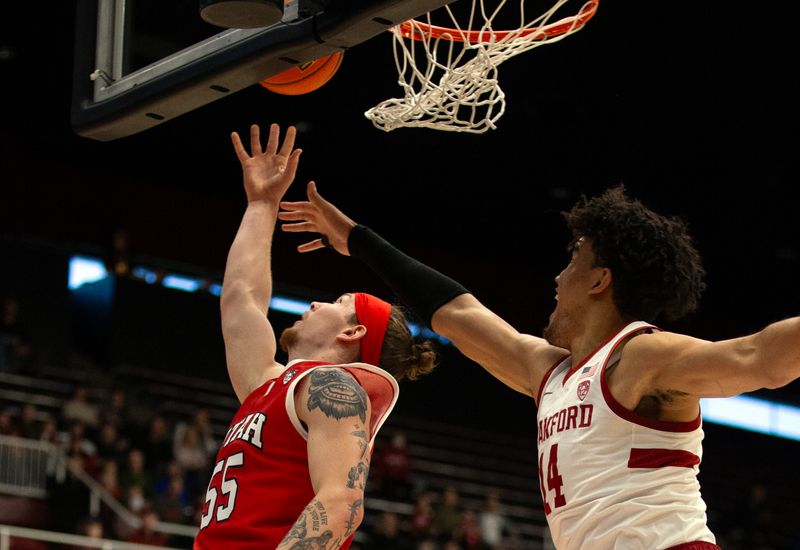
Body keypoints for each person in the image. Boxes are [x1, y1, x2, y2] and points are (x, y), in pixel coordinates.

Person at [277, 181, 800, 549]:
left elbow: (756, 356)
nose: (556, 277)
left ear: (600, 280)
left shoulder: (641, 355)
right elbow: (458, 314)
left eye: (573, 260)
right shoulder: (548, 371)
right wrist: (358, 242)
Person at [192, 123, 438, 550]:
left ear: (353, 331)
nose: (314, 305)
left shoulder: (335, 387)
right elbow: (240, 298)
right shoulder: (271, 385)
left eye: (336, 301)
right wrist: (262, 203)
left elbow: (341, 503)